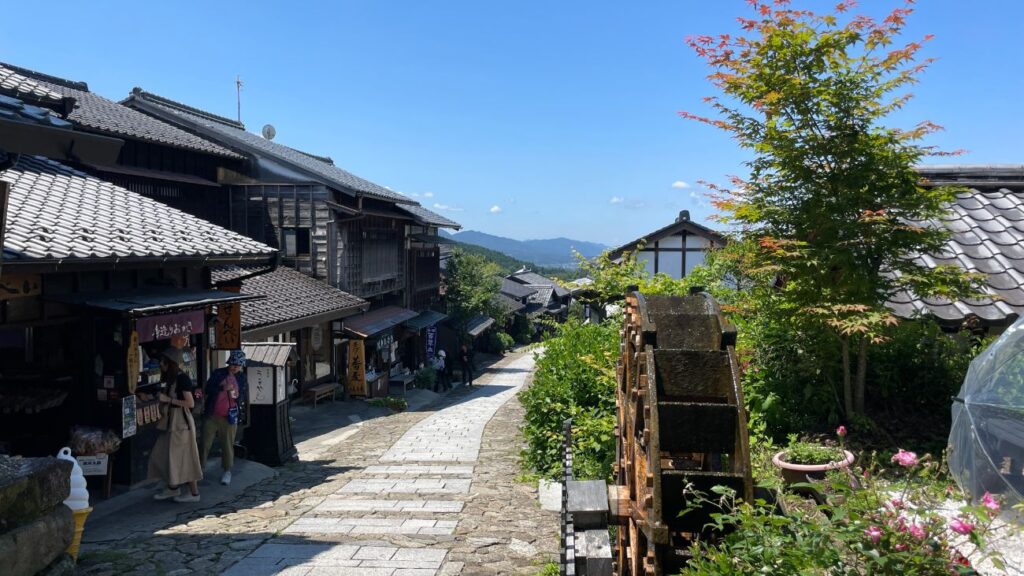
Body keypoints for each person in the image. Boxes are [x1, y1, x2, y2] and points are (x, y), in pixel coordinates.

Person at [149, 348, 203, 503]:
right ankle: (173, 488)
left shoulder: (182, 379)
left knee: (186, 457)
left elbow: (190, 402)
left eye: (162, 362)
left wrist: (168, 400)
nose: (160, 364)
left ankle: (194, 493)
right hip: (172, 421)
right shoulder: (172, 379)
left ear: (169, 363)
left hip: (181, 422)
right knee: (166, 454)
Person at [201, 350, 247, 486]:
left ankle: (227, 471)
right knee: (204, 443)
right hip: (212, 414)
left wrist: (237, 395)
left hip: (230, 415)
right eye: (233, 364)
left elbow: (243, 394)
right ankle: (199, 469)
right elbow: (208, 389)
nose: (235, 367)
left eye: (238, 365)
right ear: (229, 363)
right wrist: (222, 388)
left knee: (227, 445)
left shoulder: (241, 377)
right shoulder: (218, 373)